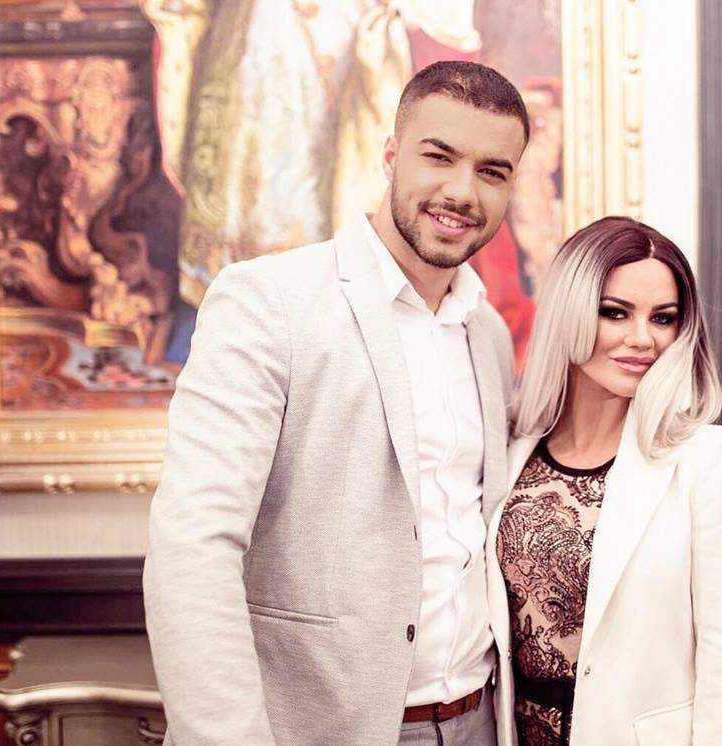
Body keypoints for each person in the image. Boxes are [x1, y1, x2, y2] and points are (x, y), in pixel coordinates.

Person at [143, 61, 529, 745]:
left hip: (478, 721)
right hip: (318, 729)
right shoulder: (267, 300)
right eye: (438, 156)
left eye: (491, 171)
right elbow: (193, 547)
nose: (461, 191)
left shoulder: (489, 333)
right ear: (390, 154)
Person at [486, 216, 722, 745]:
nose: (643, 339)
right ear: (569, 311)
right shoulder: (511, 448)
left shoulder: (710, 459)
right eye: (615, 312)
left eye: (663, 318)